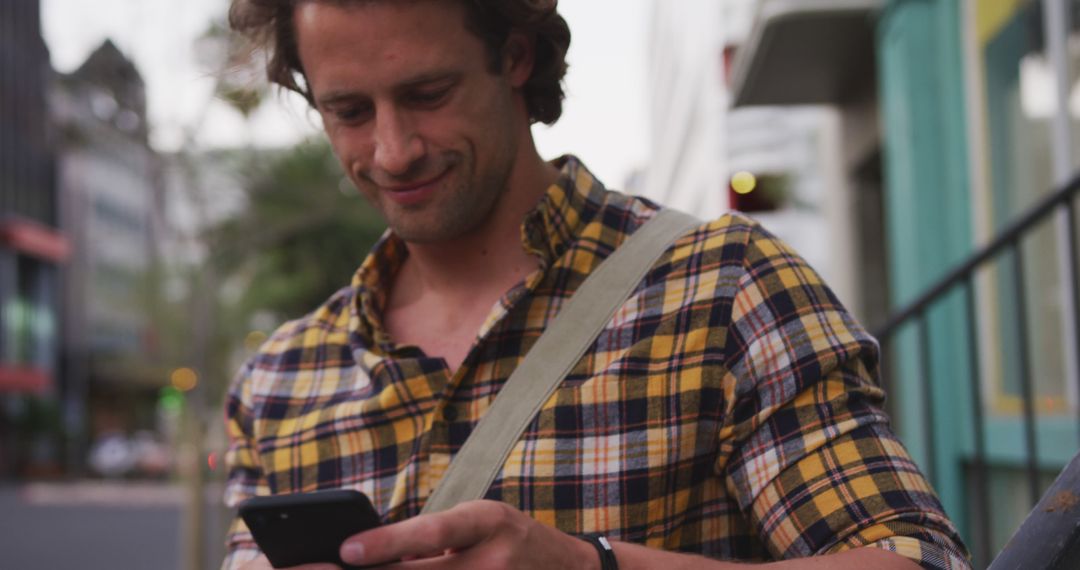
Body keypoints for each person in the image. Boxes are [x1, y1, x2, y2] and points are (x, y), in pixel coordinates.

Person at [221, 1, 971, 569]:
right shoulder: (279, 380)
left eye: (428, 93)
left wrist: (595, 566)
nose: (393, 151)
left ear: (515, 56)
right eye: (349, 111)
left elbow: (912, 558)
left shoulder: (725, 286)